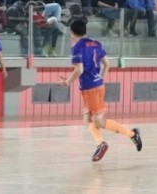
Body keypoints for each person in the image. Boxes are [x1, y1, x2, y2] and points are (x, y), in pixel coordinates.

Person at [59, 20, 143, 162]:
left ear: (72, 33)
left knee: (100, 122)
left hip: (90, 88)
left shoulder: (77, 47)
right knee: (87, 118)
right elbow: (107, 64)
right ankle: (100, 143)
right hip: (95, 85)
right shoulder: (96, 44)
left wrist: (67, 82)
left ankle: (132, 134)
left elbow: (79, 69)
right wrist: (99, 79)